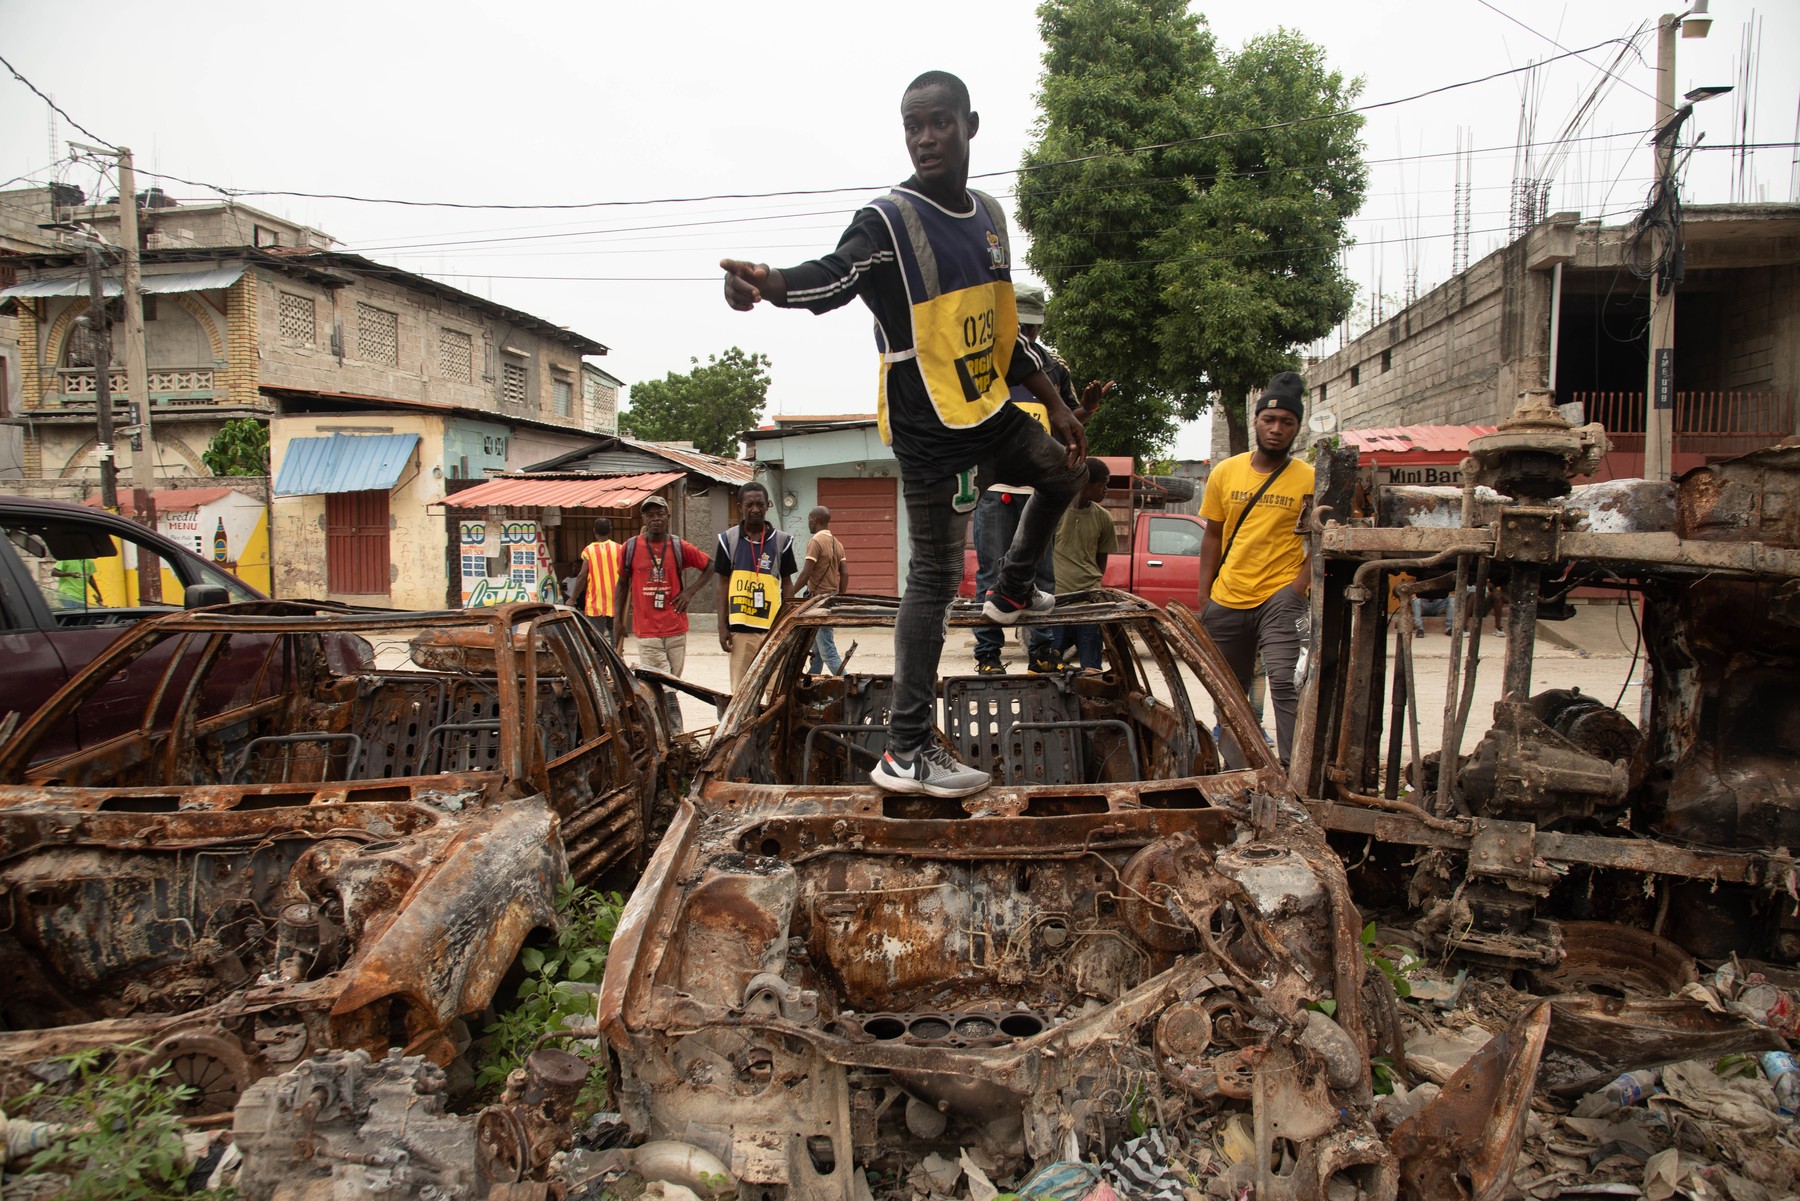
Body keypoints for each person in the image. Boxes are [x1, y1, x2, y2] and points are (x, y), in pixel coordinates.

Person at [721, 70, 1088, 799]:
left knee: (1065, 473)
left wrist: (1057, 401)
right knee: (933, 577)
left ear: (970, 125)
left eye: (939, 122)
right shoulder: (888, 220)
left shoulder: (989, 216)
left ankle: (1013, 587)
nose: (924, 137)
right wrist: (766, 282)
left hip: (988, 407)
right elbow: (832, 276)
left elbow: (1003, 331)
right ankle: (907, 749)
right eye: (912, 125)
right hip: (930, 428)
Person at [970, 282, 1112, 675]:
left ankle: (1042, 652)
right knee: (991, 573)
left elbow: (1063, 422)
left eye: (1032, 328)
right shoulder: (985, 360)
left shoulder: (1053, 367)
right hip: (994, 487)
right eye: (1021, 326)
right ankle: (988, 656)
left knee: (1042, 571)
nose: (1027, 335)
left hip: (1041, 488)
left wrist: (1086, 409)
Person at [1197, 371, 1314, 768]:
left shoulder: (1310, 480)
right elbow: (1212, 535)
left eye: (1287, 422)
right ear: (1256, 421)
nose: (1277, 429)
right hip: (1227, 597)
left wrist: (1298, 586)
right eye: (1270, 420)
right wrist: (1205, 595)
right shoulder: (1225, 472)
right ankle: (1238, 770)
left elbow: (1323, 539)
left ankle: (1291, 770)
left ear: (1297, 427)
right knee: (1229, 691)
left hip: (1280, 598)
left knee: (1285, 681)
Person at [614, 495, 711, 731]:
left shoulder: (678, 546)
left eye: (660, 514)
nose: (655, 518)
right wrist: (617, 621)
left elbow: (711, 565)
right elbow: (622, 585)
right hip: (647, 631)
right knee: (661, 684)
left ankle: (665, 732)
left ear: (668, 517)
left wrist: (689, 593)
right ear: (643, 518)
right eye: (650, 514)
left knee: (671, 684)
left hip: (676, 629)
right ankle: (672, 731)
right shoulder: (630, 548)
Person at [714, 482, 798, 689]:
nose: (755, 510)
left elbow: (787, 584)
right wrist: (722, 627)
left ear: (768, 505)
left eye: (760, 504)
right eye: (749, 505)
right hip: (740, 630)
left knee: (774, 690)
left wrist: (789, 622)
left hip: (772, 629)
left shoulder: (782, 542)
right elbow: (722, 584)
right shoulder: (728, 540)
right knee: (741, 691)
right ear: (739, 506)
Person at [1049, 459, 1116, 670]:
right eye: (1102, 484)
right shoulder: (1053, 512)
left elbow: (1100, 561)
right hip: (1056, 603)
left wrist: (1090, 587)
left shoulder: (1104, 518)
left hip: (1089, 605)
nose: (1106, 490)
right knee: (1050, 668)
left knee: (1091, 670)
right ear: (1086, 484)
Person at [793, 506, 849, 674]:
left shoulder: (816, 541)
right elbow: (845, 574)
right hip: (831, 599)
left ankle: (849, 687)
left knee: (828, 652)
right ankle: (810, 683)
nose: (808, 524)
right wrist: (839, 597)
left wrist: (789, 593)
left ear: (815, 521)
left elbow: (806, 573)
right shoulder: (837, 544)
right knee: (816, 651)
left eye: (809, 520)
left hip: (817, 600)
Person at [569, 517, 623, 644]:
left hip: (596, 600)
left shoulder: (589, 550)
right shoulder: (619, 548)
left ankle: (600, 659)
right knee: (614, 633)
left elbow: (582, 575)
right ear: (610, 530)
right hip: (616, 599)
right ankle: (617, 656)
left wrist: (573, 598)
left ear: (594, 531)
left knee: (597, 635)